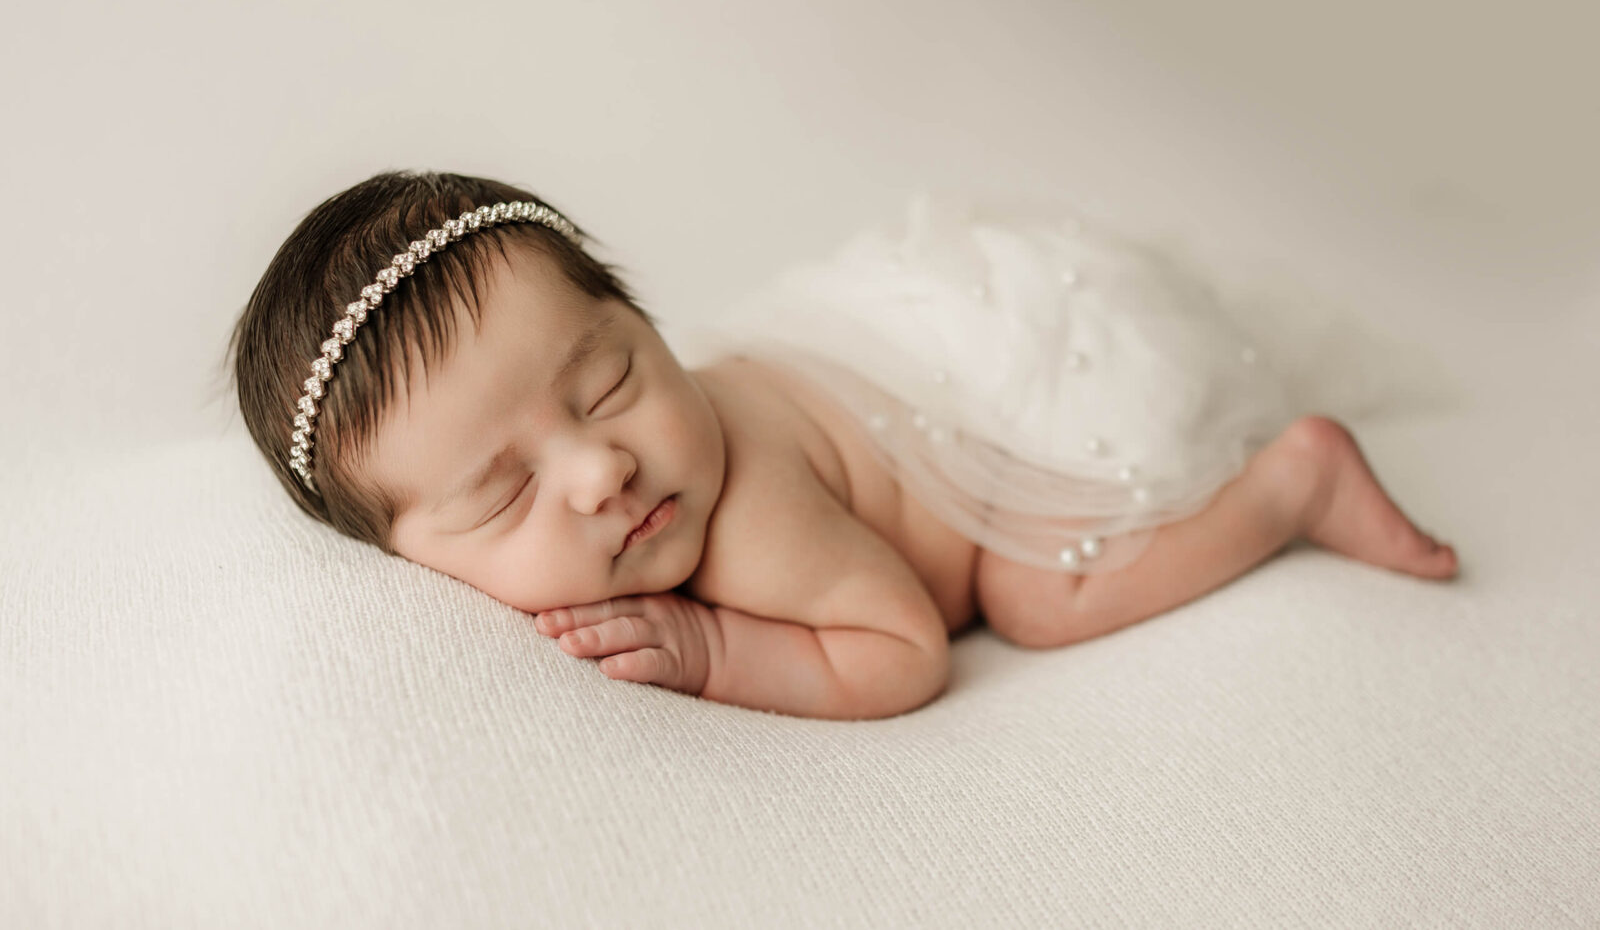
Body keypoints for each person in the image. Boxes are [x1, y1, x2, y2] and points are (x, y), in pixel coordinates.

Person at [227, 170, 1458, 720]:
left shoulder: (752, 518)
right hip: (922, 344)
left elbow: (903, 648)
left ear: (647, 324)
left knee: (1035, 593)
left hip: (1016, 419)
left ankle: (1291, 480)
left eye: (609, 382)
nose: (602, 469)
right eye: (503, 495)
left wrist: (713, 643)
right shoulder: (630, 482)